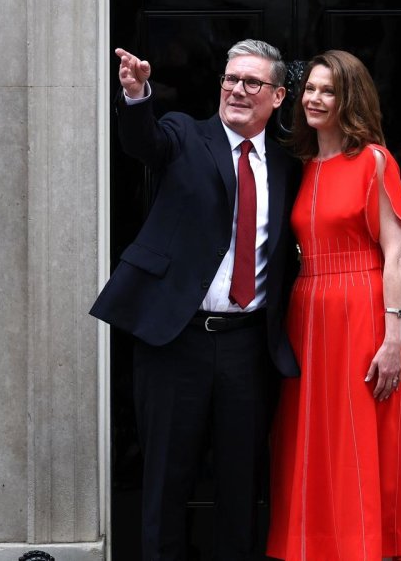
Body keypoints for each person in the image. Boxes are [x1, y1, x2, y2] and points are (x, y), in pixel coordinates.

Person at [90, 39, 300, 561]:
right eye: (231, 79)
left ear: (277, 96)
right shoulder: (184, 134)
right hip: (175, 341)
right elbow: (143, 142)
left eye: (252, 82)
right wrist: (136, 95)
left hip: (249, 347)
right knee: (166, 479)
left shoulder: (288, 165)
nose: (237, 90)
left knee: (241, 484)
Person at [266, 50, 401, 561]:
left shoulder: (374, 161)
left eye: (328, 91)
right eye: (310, 89)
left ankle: (364, 550)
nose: (314, 99)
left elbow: (396, 253)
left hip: (360, 309)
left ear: (349, 99)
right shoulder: (303, 166)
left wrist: (393, 338)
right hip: (307, 312)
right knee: (312, 440)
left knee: (355, 440)